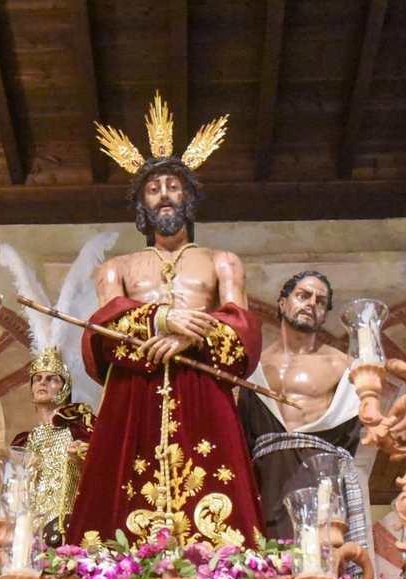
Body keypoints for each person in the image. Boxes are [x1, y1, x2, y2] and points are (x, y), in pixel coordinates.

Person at [66, 93, 263, 548]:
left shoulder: (222, 261)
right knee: (117, 506)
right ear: (141, 203)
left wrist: (186, 338)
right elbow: (102, 330)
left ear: (190, 197)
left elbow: (243, 327)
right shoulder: (117, 268)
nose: (165, 195)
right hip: (135, 388)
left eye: (174, 187)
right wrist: (159, 319)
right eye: (154, 189)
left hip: (203, 384)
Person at [0, 235, 115, 543]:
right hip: (29, 537)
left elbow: (106, 462)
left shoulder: (81, 428)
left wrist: (82, 454)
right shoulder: (22, 442)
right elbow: (11, 491)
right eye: (38, 379)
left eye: (52, 379)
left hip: (72, 530)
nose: (43, 384)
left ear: (65, 387)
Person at [239, 269, 370, 545]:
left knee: (323, 564)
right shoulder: (254, 367)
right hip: (267, 478)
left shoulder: (342, 366)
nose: (312, 304)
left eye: (321, 302)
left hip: (320, 475)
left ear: (324, 315)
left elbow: (364, 424)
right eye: (303, 295)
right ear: (283, 302)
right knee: (268, 563)